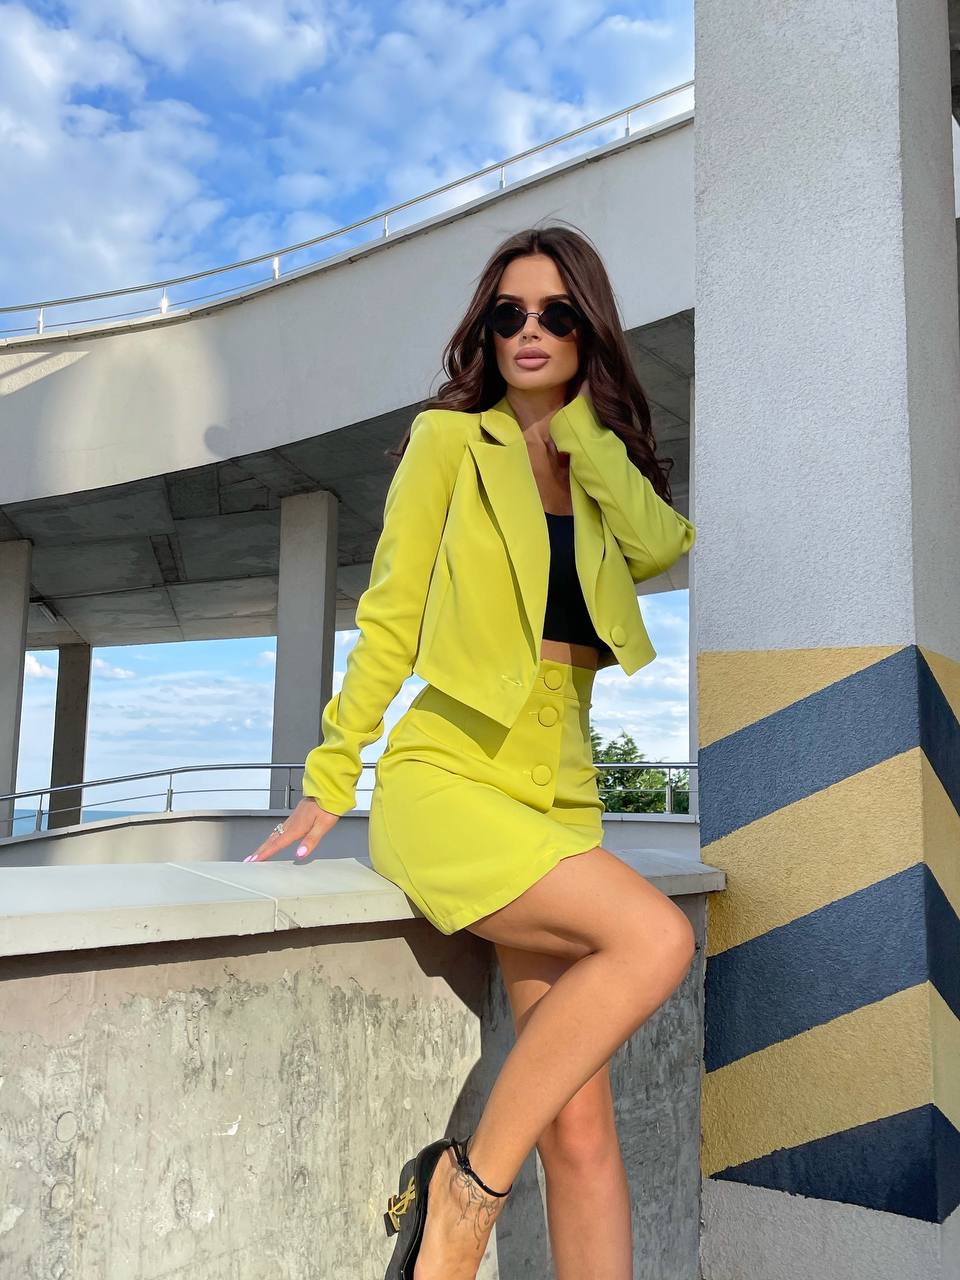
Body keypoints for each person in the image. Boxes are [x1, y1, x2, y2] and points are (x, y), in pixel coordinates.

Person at [244, 225, 697, 1280]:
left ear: (587, 330)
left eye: (554, 313)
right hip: (450, 775)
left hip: (560, 791)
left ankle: (466, 1188)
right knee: (655, 939)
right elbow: (391, 617)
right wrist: (330, 777)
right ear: (484, 335)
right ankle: (464, 1196)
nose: (528, 331)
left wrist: (583, 439)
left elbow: (662, 541)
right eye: (508, 314)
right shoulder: (448, 443)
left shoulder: (599, 461)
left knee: (581, 1131)